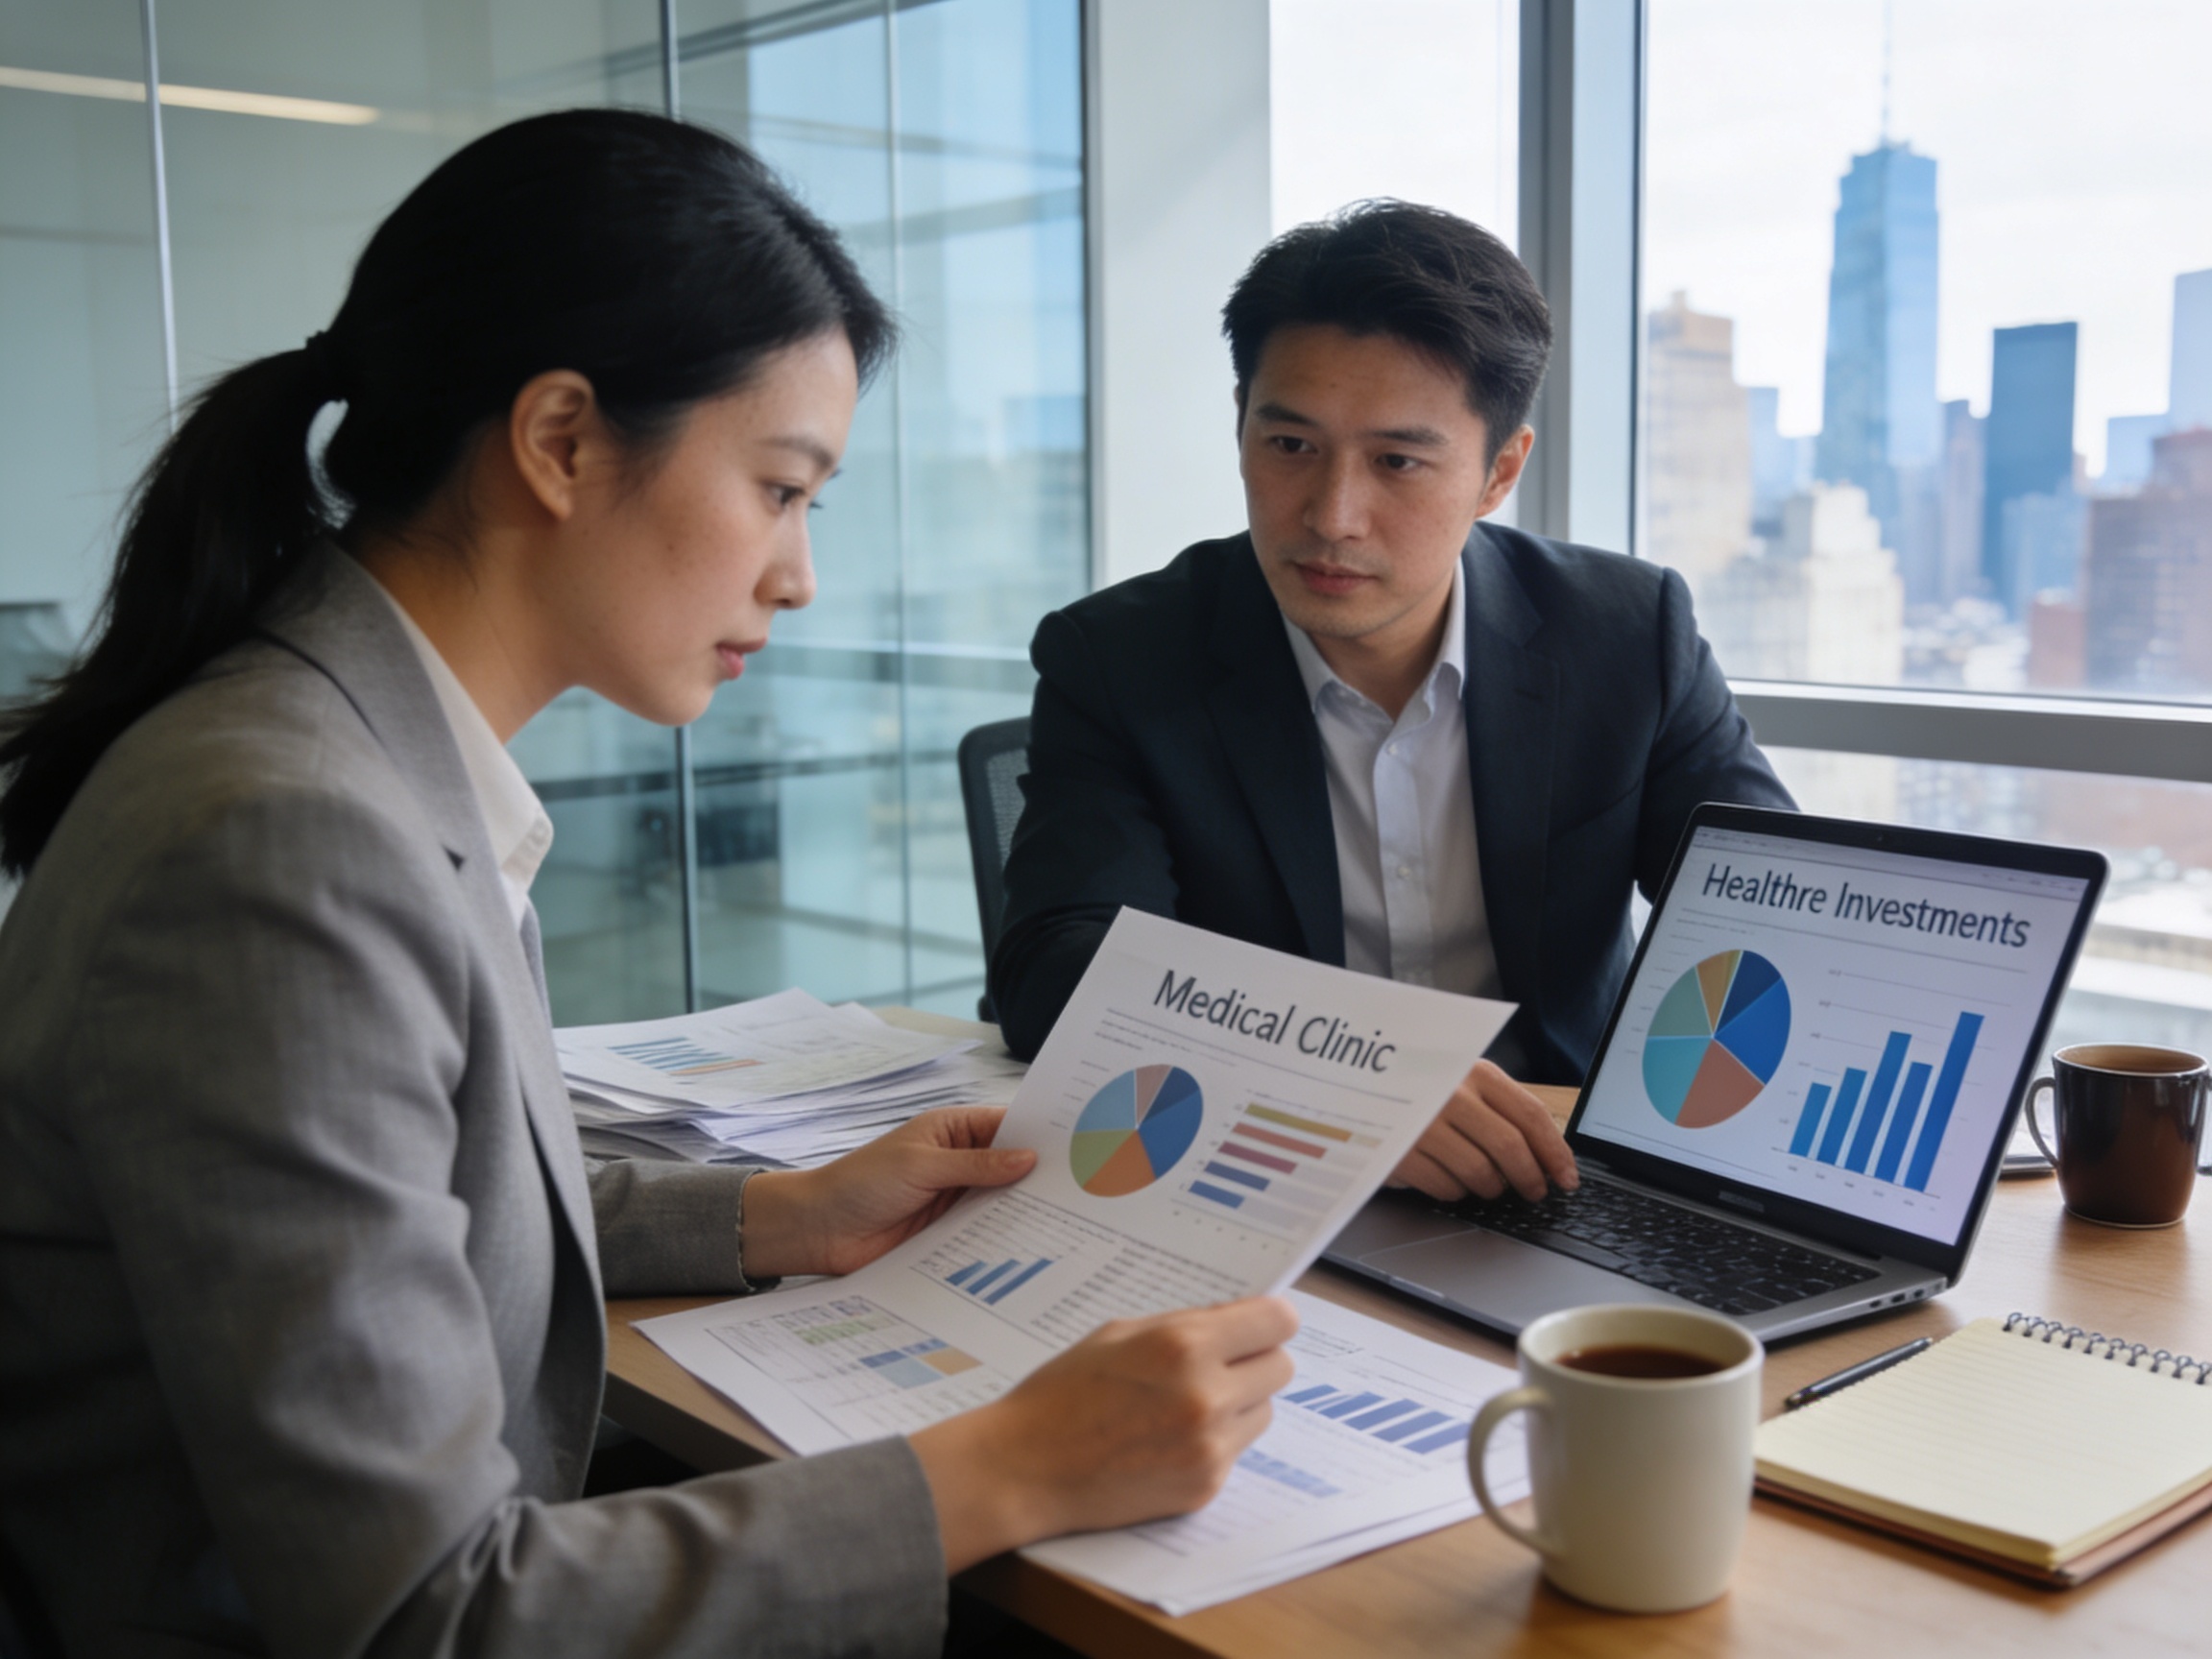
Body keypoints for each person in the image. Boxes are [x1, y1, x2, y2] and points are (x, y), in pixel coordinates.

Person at [0, 110, 1295, 1659]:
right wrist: (1008, 1462)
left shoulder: (347, 754)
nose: (799, 571)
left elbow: (410, 1205)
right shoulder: (282, 841)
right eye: (778, 485)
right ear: (557, 441)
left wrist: (772, 1214)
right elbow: (425, 1615)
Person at [989, 203, 1792, 1207]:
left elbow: (1783, 913)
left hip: (1560, 1171)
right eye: (1290, 446)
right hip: (1261, 1170)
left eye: (1398, 462)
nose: (1331, 516)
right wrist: (1348, 1089)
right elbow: (1056, 971)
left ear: (1500, 471)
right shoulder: (1121, 657)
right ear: (1240, 426)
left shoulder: (1627, 634)